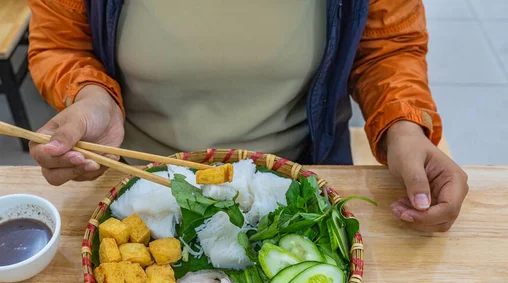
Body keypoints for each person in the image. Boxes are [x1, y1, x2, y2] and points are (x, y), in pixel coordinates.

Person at [27, 0, 468, 233]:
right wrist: (89, 97)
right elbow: (62, 44)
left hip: (297, 183)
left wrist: (404, 129)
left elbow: (387, 48)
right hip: (137, 184)